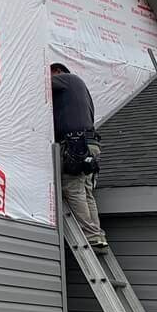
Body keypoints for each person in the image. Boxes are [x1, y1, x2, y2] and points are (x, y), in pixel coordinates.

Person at [51, 62, 105, 246]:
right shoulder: (80, 87)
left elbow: (39, 83)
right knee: (86, 191)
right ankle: (97, 234)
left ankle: (90, 236)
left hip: (76, 144)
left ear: (58, 71)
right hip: (91, 144)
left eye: (51, 74)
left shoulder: (65, 79)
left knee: (73, 188)